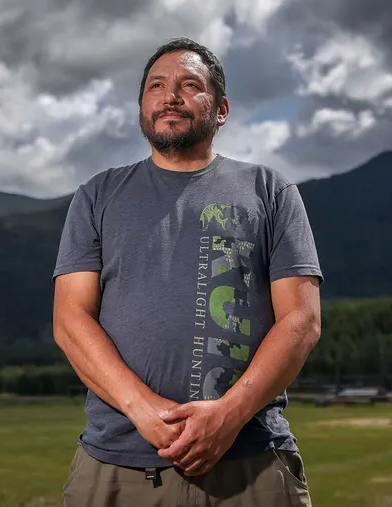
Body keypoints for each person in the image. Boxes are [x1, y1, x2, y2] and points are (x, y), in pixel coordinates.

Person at [52, 37, 323, 506]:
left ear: (220, 109)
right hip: (117, 465)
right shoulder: (97, 196)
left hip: (251, 463)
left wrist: (228, 415)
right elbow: (70, 320)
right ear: (142, 107)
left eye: (189, 84)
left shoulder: (270, 191)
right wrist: (144, 410)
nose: (169, 95)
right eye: (156, 85)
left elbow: (301, 321)